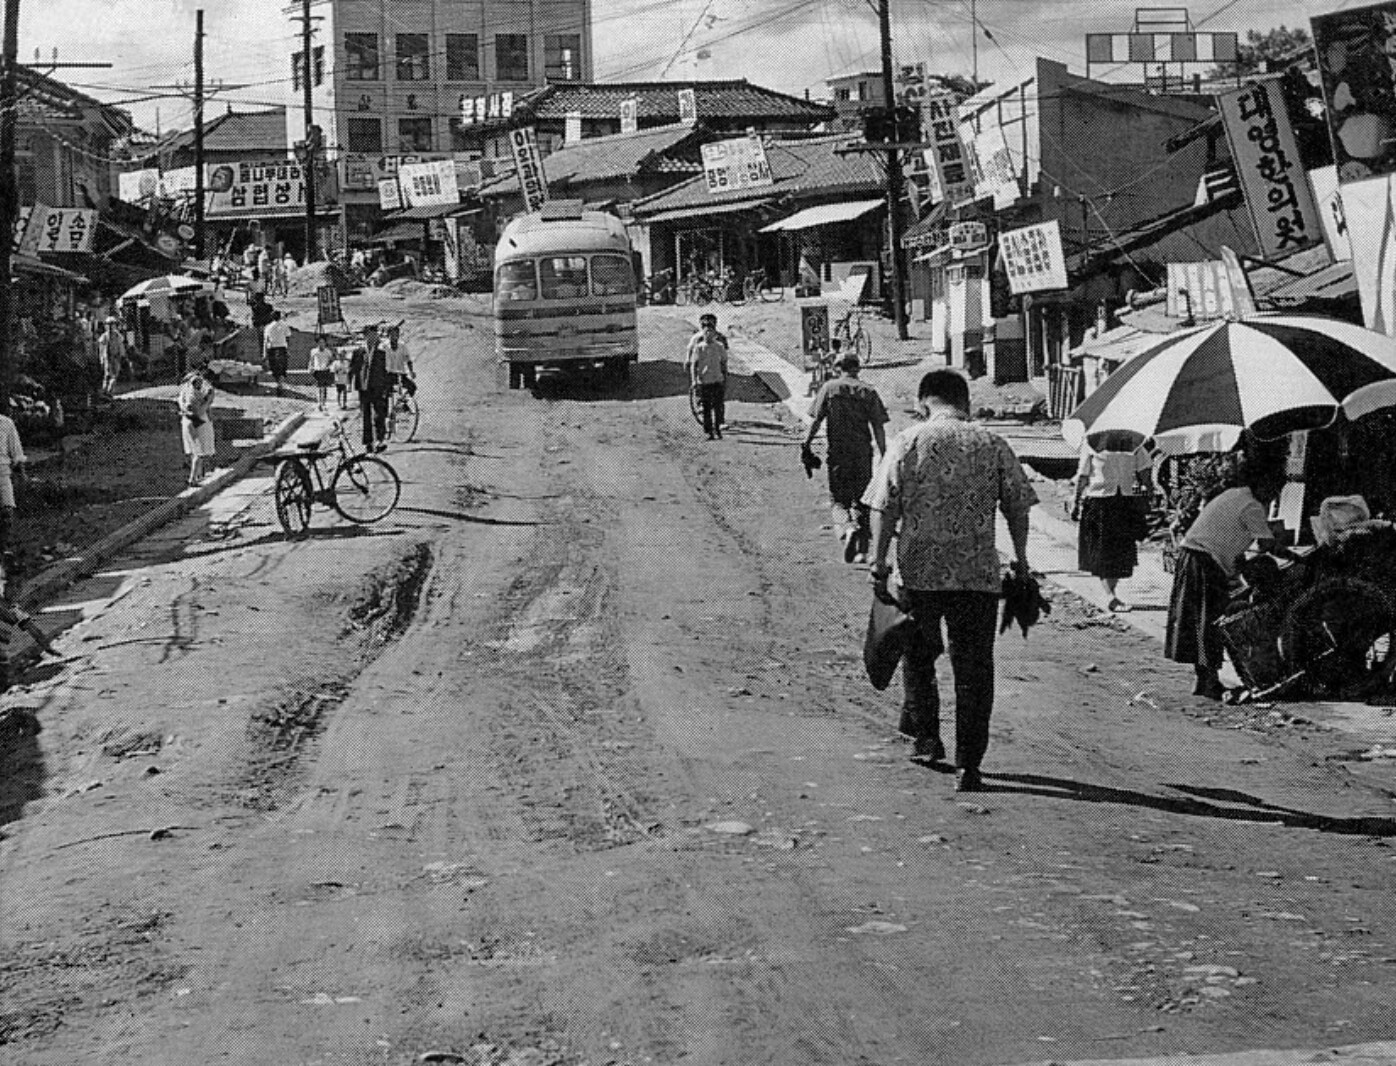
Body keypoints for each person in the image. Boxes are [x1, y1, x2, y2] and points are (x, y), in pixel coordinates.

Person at [864, 369, 1037, 792]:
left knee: (919, 659)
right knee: (974, 669)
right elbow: (1018, 505)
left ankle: (927, 741)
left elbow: (884, 505)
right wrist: (1021, 559)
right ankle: (969, 765)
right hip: (977, 575)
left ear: (924, 401)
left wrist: (879, 563)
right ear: (966, 402)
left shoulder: (908, 441)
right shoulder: (992, 443)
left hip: (919, 574)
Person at [1165, 461, 1286, 701]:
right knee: (1208, 621)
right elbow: (1267, 545)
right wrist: (1296, 557)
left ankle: (1204, 678)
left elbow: (1228, 536)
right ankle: (1208, 681)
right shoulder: (1252, 506)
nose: (1274, 497)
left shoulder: (1233, 494)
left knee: (1200, 621)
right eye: (1274, 491)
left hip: (1192, 555)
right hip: (1203, 561)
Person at [804, 352, 888, 564]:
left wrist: (807, 443)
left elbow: (816, 420)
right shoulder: (868, 391)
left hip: (838, 454)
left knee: (838, 501)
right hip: (862, 454)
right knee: (862, 500)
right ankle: (862, 550)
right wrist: (884, 454)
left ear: (838, 367)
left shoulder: (829, 388)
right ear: (857, 368)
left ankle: (847, 528)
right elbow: (878, 426)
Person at [1071, 437, 1154, 612]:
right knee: (1105, 551)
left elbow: (1083, 475)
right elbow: (1145, 471)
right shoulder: (1096, 442)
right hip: (1105, 501)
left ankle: (1111, 594)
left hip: (1117, 501)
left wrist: (1075, 501)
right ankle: (1110, 596)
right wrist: (1149, 490)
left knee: (1117, 552)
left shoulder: (1132, 442)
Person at [685, 312, 728, 440]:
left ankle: (719, 425)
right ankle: (708, 429)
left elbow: (724, 359)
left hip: (717, 377)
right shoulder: (697, 340)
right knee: (706, 404)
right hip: (704, 378)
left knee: (719, 404)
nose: (708, 328)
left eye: (711, 325)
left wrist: (725, 375)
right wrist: (688, 362)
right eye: (705, 325)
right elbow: (691, 354)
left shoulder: (720, 341)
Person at [349, 323, 391, 451]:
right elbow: (353, 368)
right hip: (363, 387)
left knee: (379, 414)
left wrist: (387, 387)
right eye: (370, 335)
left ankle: (380, 440)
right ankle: (368, 442)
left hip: (378, 386)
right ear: (366, 337)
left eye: (375, 335)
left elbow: (388, 370)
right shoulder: (358, 352)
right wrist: (348, 383)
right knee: (365, 415)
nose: (373, 338)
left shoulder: (383, 351)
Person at [177, 362, 217, 486]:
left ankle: (198, 475)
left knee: (194, 451)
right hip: (197, 422)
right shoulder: (199, 395)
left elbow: (183, 404)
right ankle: (192, 479)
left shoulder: (184, 392)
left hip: (187, 421)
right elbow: (199, 411)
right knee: (199, 452)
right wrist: (208, 401)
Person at [0, 409, 26, 588]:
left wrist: (22, 475)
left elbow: (16, 454)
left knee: (7, 513)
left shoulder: (6, 423)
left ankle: (3, 552)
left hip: (2, 475)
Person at [262, 310, 291, 396]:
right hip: (282, 349)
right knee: (282, 368)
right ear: (279, 316)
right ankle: (280, 385)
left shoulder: (268, 327)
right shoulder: (285, 325)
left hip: (272, 349)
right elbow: (288, 338)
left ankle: (279, 384)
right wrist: (287, 349)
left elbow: (266, 341)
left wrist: (264, 354)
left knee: (275, 368)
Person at [384, 322, 416, 397]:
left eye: (396, 334)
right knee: (384, 392)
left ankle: (403, 400)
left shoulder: (402, 346)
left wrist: (411, 371)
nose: (394, 337)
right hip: (389, 375)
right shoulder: (385, 346)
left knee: (412, 387)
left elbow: (408, 360)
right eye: (392, 335)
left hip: (401, 375)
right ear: (388, 335)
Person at [98, 316, 126, 396]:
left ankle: (109, 391)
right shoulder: (104, 336)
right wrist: (101, 359)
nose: (110, 326)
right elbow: (101, 349)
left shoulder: (117, 335)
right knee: (107, 375)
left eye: (112, 324)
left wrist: (122, 355)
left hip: (116, 357)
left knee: (115, 375)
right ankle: (104, 391)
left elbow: (121, 345)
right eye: (108, 324)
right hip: (107, 358)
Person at [308, 334, 335, 411]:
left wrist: (329, 367)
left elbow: (331, 361)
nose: (321, 344)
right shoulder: (313, 351)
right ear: (317, 343)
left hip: (325, 370)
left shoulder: (328, 352)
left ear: (325, 343)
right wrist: (310, 368)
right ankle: (319, 403)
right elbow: (311, 361)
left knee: (324, 388)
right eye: (320, 342)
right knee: (319, 388)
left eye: (323, 342)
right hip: (317, 371)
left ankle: (323, 403)